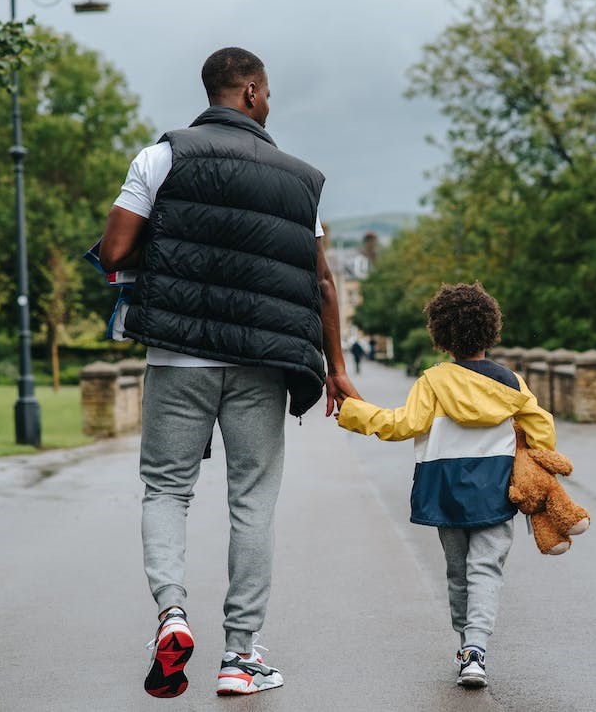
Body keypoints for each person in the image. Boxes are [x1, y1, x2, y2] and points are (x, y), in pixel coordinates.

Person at [98, 46, 360, 699]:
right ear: (247, 91)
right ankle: (241, 657)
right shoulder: (301, 181)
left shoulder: (160, 157)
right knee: (253, 503)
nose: (268, 103)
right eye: (265, 92)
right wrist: (338, 369)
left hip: (179, 355)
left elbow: (115, 250)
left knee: (165, 488)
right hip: (264, 363)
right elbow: (322, 283)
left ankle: (172, 615)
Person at [334, 282, 555, 688]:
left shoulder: (433, 382)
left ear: (441, 335)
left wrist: (353, 412)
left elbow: (403, 425)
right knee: (485, 568)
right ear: (491, 330)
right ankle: (477, 648)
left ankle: (464, 647)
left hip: (445, 489)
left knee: (457, 572)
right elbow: (542, 429)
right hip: (496, 488)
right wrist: (534, 458)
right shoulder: (511, 383)